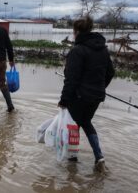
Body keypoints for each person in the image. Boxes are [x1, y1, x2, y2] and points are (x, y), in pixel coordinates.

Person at [58, 16, 115, 171]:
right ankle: (99, 157)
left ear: (76, 32)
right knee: (86, 122)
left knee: (73, 125)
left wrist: (64, 100)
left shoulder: (77, 51)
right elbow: (110, 72)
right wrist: (100, 87)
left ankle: (72, 161)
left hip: (79, 96)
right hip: (96, 96)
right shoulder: (102, 49)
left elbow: (71, 79)